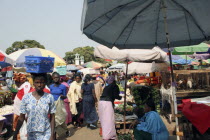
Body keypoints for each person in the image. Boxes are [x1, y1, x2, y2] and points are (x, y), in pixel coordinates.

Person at [13, 73, 56, 140]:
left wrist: (52, 135)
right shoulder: (26, 98)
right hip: (31, 133)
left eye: (41, 82)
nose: (39, 85)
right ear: (33, 84)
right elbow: (21, 117)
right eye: (37, 82)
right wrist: (15, 133)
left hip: (46, 132)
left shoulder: (49, 97)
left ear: (45, 83)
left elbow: (52, 117)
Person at [98, 75, 122, 140]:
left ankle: (106, 135)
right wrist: (120, 97)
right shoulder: (115, 86)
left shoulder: (107, 87)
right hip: (107, 103)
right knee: (109, 120)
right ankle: (109, 136)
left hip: (101, 103)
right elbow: (116, 96)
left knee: (104, 120)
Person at [50, 72, 70, 137]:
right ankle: (54, 135)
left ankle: (66, 130)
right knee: (54, 120)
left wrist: (62, 96)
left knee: (60, 119)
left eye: (57, 77)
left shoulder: (63, 86)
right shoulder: (51, 86)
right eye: (54, 77)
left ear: (59, 78)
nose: (56, 79)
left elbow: (65, 96)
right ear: (52, 78)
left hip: (60, 105)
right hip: (52, 104)